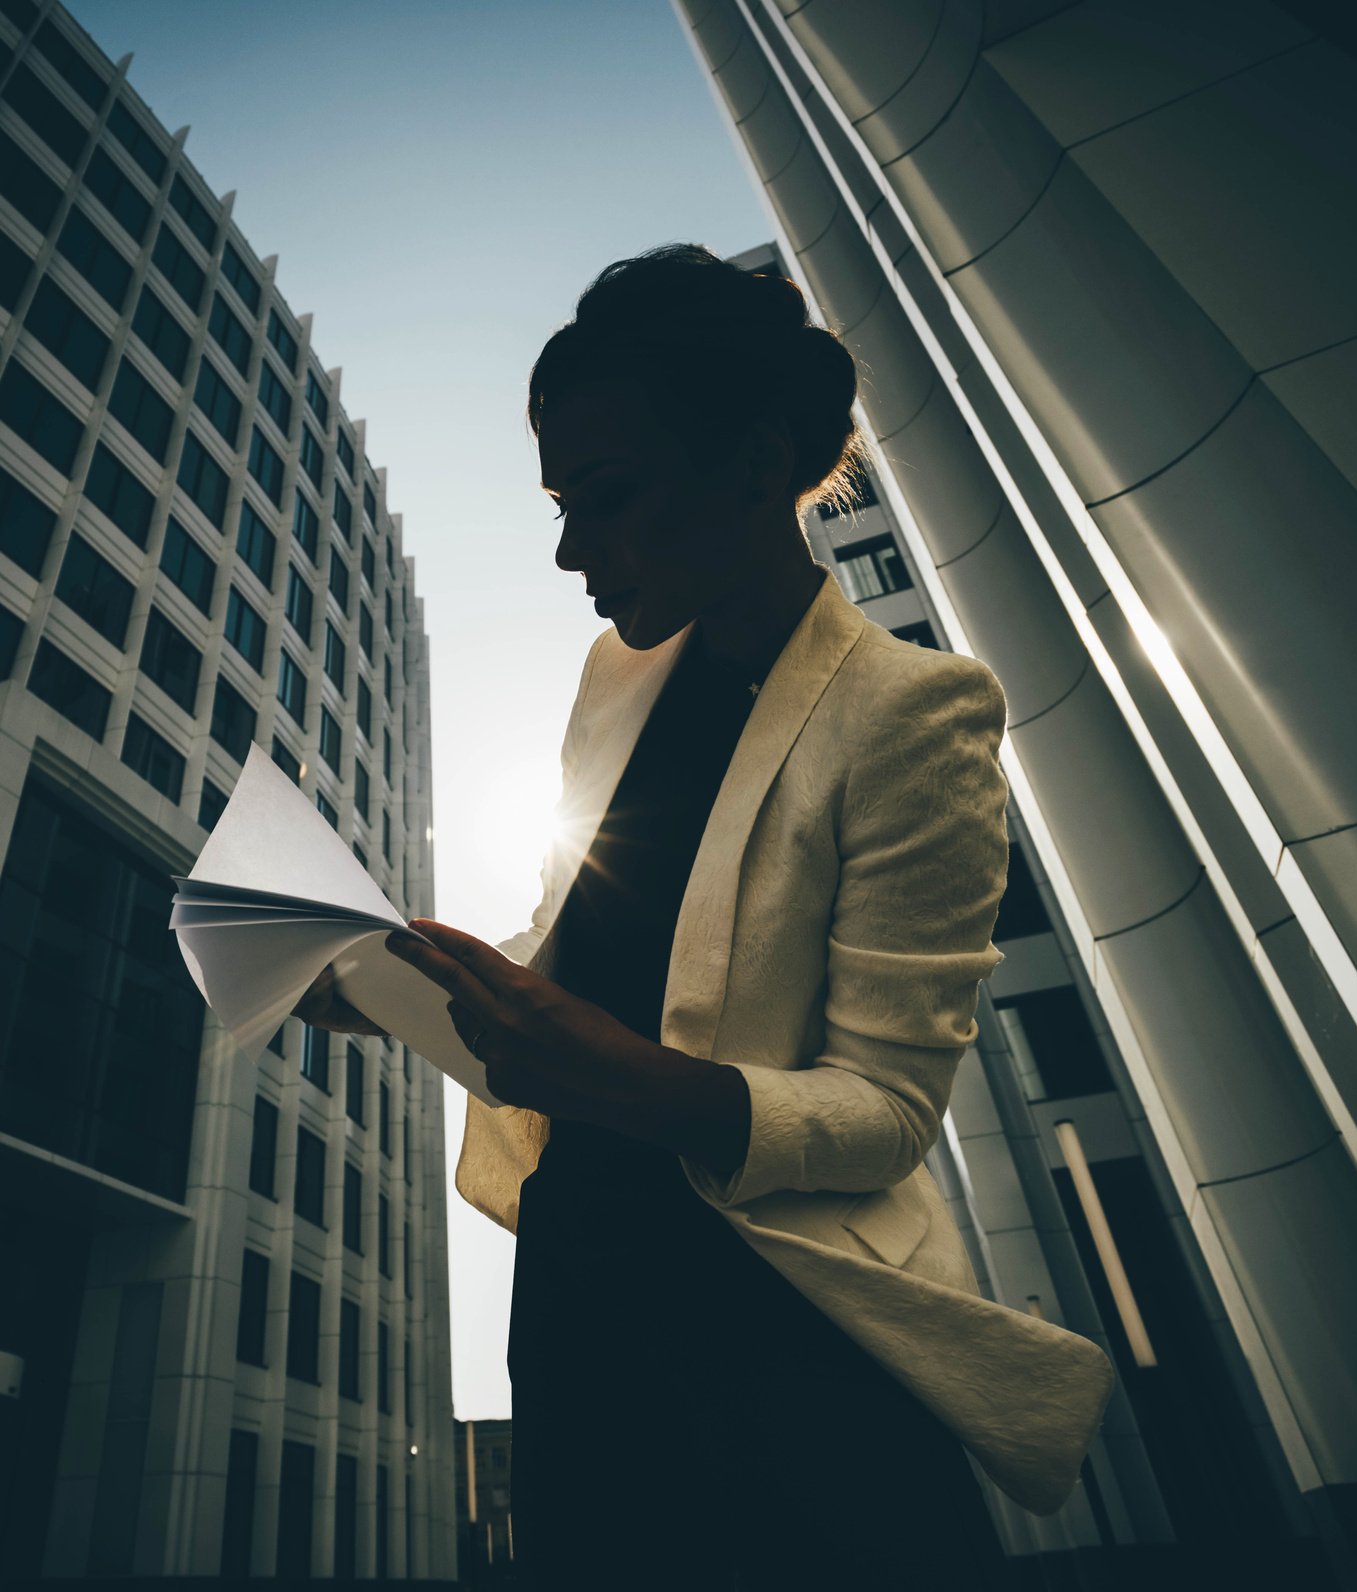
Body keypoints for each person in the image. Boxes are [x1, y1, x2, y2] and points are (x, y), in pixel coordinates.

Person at [296, 244, 1105, 1587]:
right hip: (576, 1283)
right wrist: (389, 978)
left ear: (750, 460)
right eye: (558, 504)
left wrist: (655, 1090)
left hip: (784, 1328)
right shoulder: (615, 678)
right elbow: (576, 956)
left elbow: (889, 1111)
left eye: (604, 499)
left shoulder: (913, 711)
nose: (567, 551)